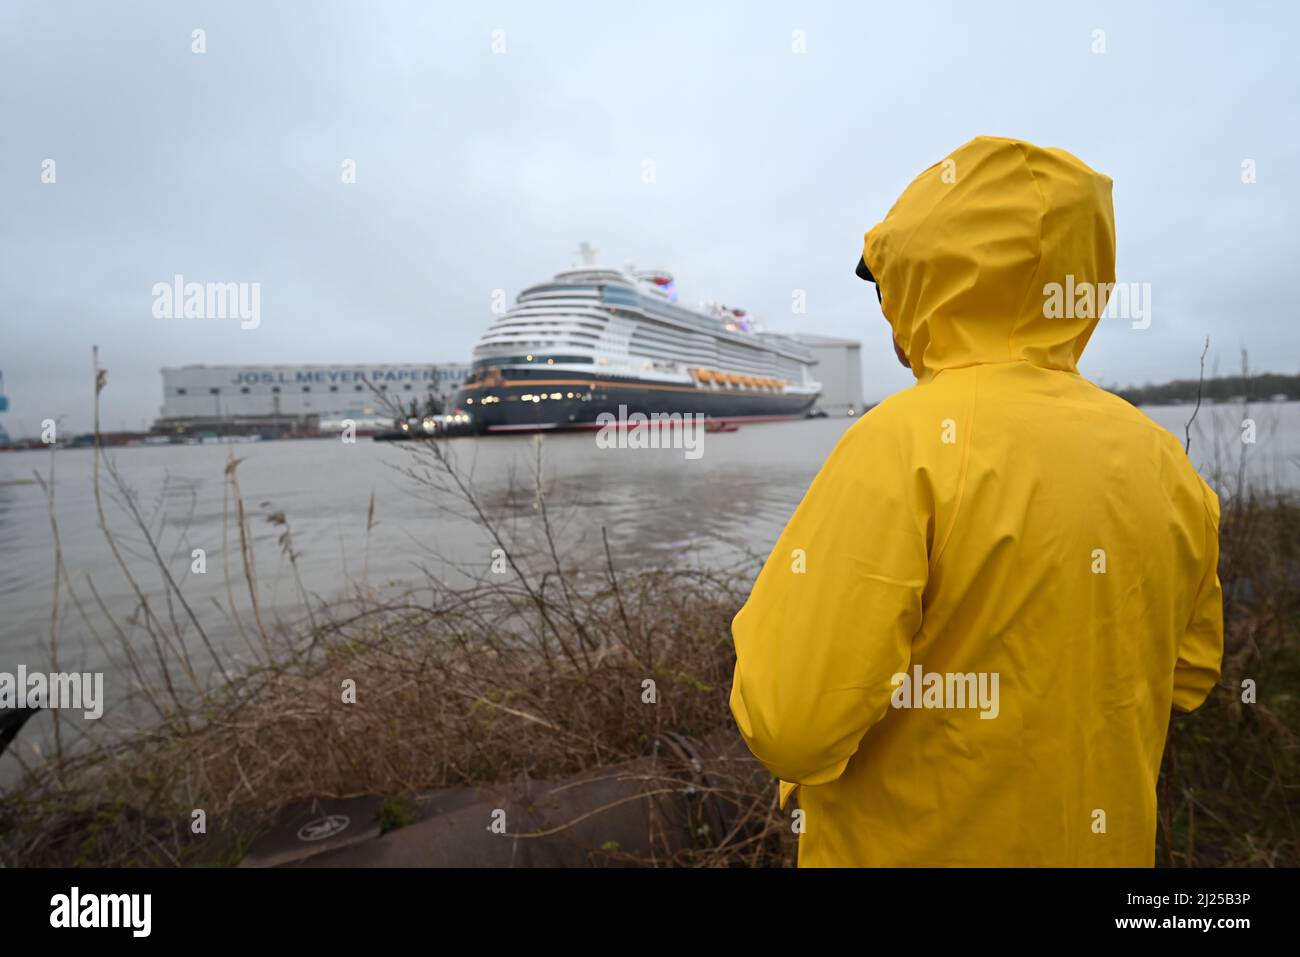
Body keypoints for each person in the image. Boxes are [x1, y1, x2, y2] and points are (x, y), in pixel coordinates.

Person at [729, 136, 1224, 866]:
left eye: (889, 283)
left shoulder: (900, 443)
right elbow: (1189, 675)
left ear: (926, 280)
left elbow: (793, 721)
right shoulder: (1164, 460)